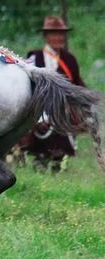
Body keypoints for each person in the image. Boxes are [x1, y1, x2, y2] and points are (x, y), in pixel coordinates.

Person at [16, 16, 85, 170]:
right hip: (40, 108)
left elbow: (77, 84)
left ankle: (57, 166)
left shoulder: (69, 60)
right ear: (46, 36)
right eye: (53, 34)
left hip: (63, 111)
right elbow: (29, 85)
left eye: (60, 34)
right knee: (39, 150)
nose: (57, 37)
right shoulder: (35, 57)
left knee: (60, 152)